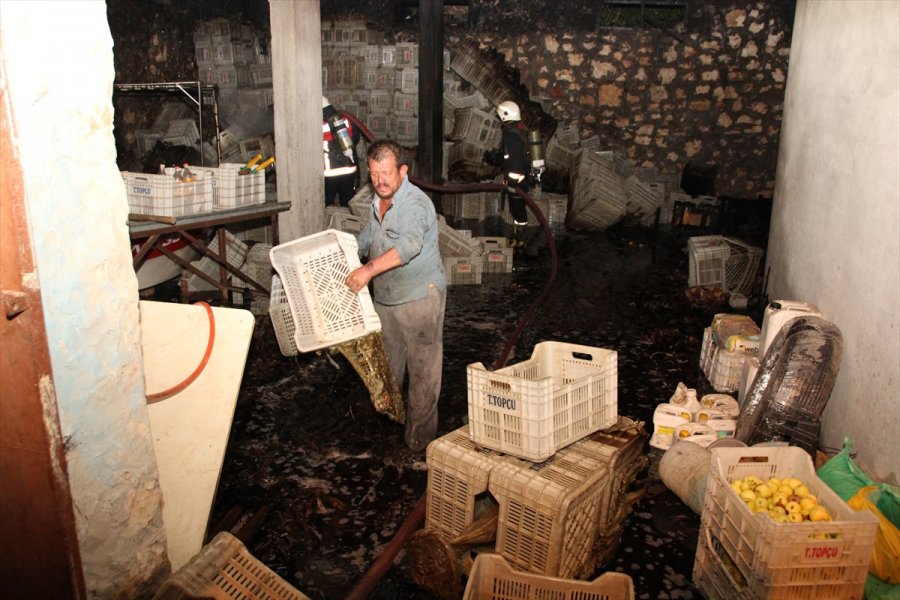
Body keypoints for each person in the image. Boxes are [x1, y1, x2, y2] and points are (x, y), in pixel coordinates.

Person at [345, 140, 447, 453]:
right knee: (388, 368)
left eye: (387, 173)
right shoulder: (378, 200)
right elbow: (369, 237)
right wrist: (344, 252)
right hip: (386, 298)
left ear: (403, 171)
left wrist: (366, 271)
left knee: (422, 373)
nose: (380, 181)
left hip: (419, 298)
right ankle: (391, 427)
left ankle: (419, 442)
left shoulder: (415, 204)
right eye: (374, 174)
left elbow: (408, 246)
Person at [495, 100, 531, 226]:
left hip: (518, 182)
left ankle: (521, 231)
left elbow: (516, 163)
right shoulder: (518, 130)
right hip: (522, 177)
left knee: (518, 208)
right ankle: (519, 228)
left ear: (505, 116)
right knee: (518, 207)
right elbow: (509, 155)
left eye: (500, 116)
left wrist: (512, 184)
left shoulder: (511, 136)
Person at [323, 96, 361, 207]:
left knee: (326, 202)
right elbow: (355, 137)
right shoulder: (344, 119)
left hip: (329, 172)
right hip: (348, 168)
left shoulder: (317, 124)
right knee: (348, 202)